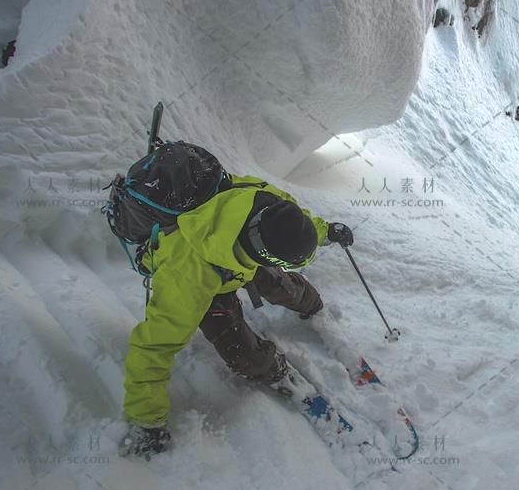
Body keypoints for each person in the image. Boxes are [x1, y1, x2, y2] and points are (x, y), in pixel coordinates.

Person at [118, 173, 354, 459]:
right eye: (282, 262)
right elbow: (153, 347)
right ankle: (270, 367)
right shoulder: (189, 275)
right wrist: (146, 421)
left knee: (283, 284)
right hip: (210, 270)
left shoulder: (267, 203)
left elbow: (295, 220)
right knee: (241, 353)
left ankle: (313, 307)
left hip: (240, 258)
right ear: (266, 252)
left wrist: (325, 231)